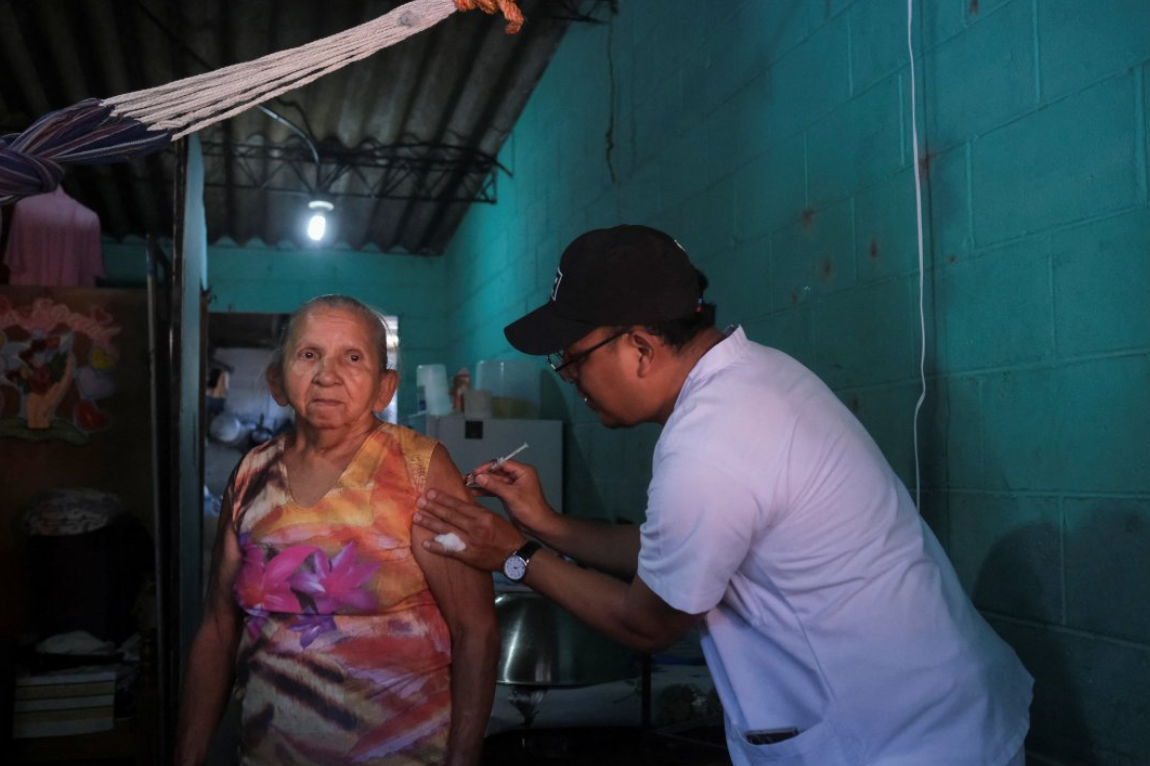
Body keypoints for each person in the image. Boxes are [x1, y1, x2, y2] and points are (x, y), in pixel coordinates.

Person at [413, 225, 1033, 766]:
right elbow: (671, 551)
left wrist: (514, 554)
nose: (571, 379)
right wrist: (546, 524)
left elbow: (647, 622)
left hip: (900, 741)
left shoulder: (712, 438)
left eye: (573, 359)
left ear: (640, 346)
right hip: (935, 712)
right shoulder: (755, 378)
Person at [176, 295, 499, 766]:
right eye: (309, 355)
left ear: (384, 388)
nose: (328, 375)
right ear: (277, 380)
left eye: (353, 358)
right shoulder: (251, 474)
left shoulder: (418, 468)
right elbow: (219, 627)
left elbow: (476, 629)